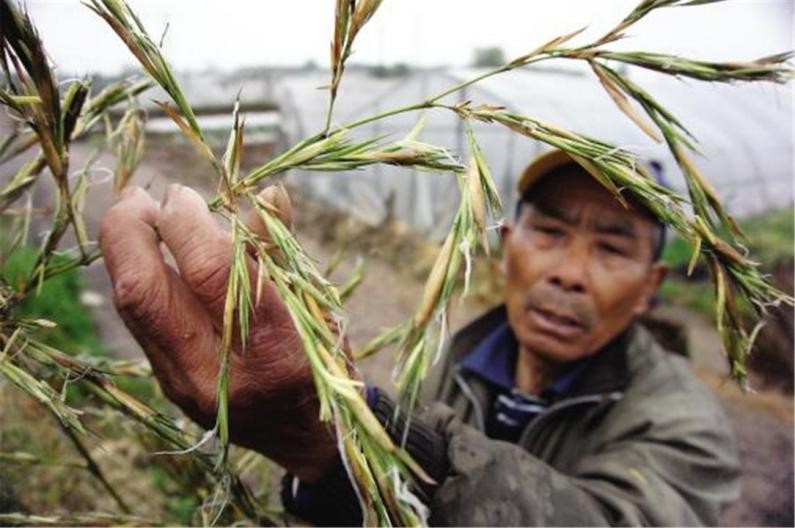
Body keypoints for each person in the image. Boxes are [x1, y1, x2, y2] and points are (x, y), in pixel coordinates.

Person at [100, 149, 740, 526]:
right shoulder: (452, 359)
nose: (569, 273)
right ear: (508, 249)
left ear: (652, 284)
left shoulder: (683, 423)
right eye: (550, 233)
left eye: (610, 247)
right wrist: (332, 468)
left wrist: (348, 435)